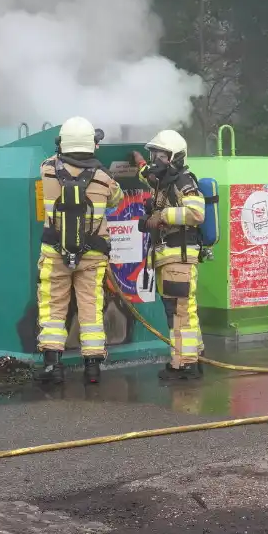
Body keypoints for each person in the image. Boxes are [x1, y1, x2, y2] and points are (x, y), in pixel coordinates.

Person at [35, 116, 125, 383]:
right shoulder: (104, 178)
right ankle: (93, 368)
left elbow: (51, 159)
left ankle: (53, 367)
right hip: (93, 256)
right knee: (91, 307)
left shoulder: (47, 170)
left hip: (55, 252)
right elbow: (117, 199)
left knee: (53, 308)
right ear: (91, 144)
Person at [133, 129, 205, 380]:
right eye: (153, 155)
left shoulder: (184, 181)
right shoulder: (164, 180)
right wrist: (139, 164)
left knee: (179, 312)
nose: (155, 160)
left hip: (179, 257)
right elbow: (149, 176)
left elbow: (196, 213)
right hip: (171, 257)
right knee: (183, 310)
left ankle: (184, 365)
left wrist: (161, 216)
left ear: (174, 157)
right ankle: (194, 357)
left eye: (160, 155)